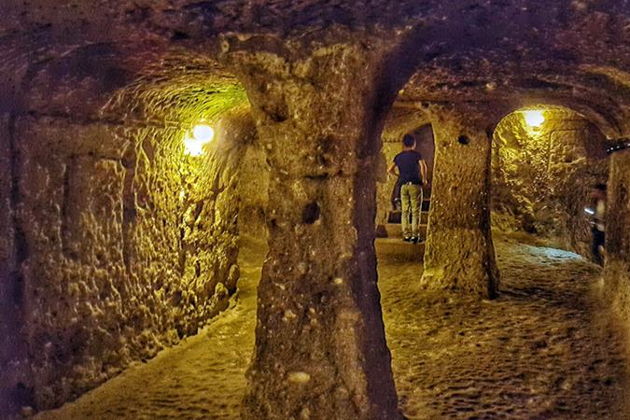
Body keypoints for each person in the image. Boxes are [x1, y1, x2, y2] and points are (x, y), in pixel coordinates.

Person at [388, 134, 428, 243]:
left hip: (403, 186)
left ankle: (406, 235)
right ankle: (415, 235)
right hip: (415, 185)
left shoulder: (398, 156)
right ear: (413, 143)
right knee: (415, 211)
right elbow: (423, 166)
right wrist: (424, 179)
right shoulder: (416, 155)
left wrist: (399, 176)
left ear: (403, 144)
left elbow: (389, 169)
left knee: (405, 211)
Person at [588, 183, 607, 266]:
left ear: (600, 192)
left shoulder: (608, 203)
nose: (593, 193)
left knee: (605, 249)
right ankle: (598, 266)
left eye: (594, 191)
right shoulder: (596, 202)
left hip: (605, 230)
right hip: (598, 229)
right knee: (594, 249)